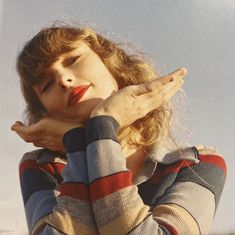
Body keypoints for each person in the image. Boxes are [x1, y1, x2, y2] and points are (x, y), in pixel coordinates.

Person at [11, 25, 226, 235]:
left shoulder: (199, 165)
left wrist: (103, 124)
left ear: (110, 64)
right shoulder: (41, 167)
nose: (63, 80)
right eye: (47, 85)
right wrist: (80, 140)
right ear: (46, 112)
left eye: (73, 60)